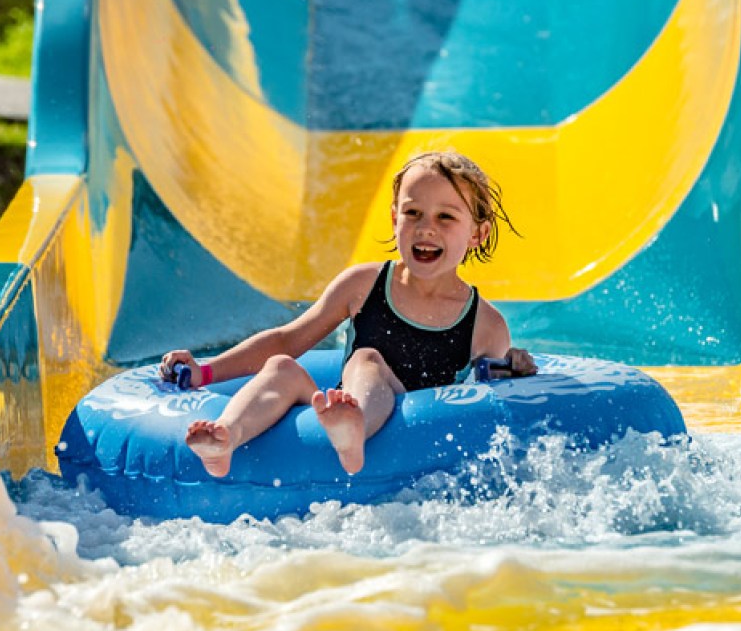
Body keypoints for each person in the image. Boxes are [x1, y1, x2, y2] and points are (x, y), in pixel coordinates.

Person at [159, 150, 537, 478]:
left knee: (368, 359)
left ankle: (353, 434)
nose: (426, 228)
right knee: (281, 367)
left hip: (411, 433)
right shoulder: (363, 285)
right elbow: (288, 340)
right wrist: (205, 372)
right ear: (394, 218)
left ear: (478, 234)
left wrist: (515, 367)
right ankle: (225, 438)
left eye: (445, 218)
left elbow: (491, 396)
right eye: (413, 213)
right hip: (340, 407)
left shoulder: (485, 325)